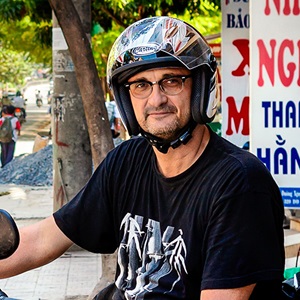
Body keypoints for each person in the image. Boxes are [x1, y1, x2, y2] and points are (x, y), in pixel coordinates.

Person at [0, 17, 284, 299]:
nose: (156, 99)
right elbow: (43, 240)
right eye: (141, 85)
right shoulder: (127, 161)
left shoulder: (240, 183)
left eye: (171, 81)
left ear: (199, 87)